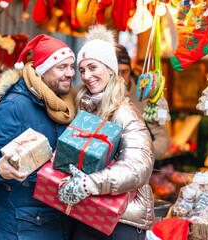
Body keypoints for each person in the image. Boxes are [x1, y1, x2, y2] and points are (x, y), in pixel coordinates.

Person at [0, 34, 76, 240]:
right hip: (23, 226)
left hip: (60, 221)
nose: (70, 73)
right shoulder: (14, 105)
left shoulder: (69, 105)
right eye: (61, 67)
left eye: (72, 66)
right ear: (43, 71)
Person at [58, 25, 155, 240]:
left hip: (121, 220)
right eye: (82, 70)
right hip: (88, 214)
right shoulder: (83, 109)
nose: (86, 76)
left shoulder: (125, 113)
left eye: (93, 67)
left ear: (110, 69)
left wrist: (90, 183)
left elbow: (139, 166)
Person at [115, 44, 170, 159]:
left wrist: (140, 156)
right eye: (116, 72)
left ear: (131, 71)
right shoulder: (100, 96)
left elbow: (163, 140)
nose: (120, 77)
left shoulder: (144, 100)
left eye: (124, 72)